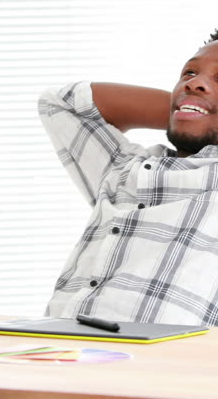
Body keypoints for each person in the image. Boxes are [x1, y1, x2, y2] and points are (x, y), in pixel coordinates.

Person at [37, 29, 218, 326]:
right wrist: (192, 111)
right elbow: (61, 103)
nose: (194, 82)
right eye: (189, 72)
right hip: (60, 353)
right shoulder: (124, 168)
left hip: (163, 366)